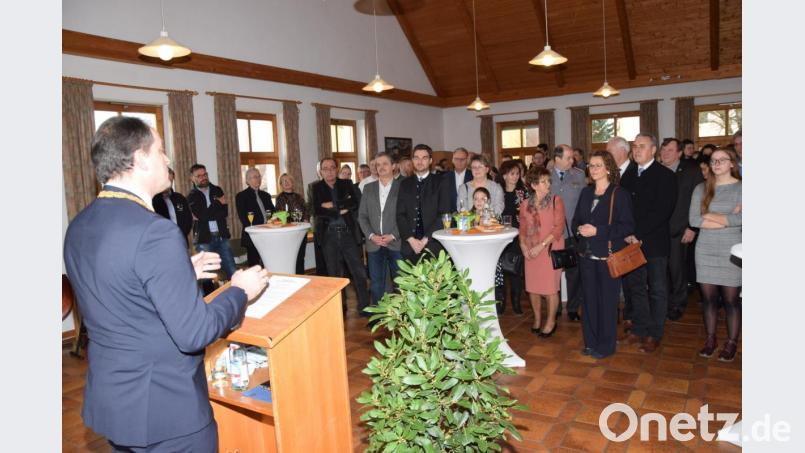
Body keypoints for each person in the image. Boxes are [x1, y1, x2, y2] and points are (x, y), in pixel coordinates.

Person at [64, 116, 268, 452]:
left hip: (115, 402)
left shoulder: (80, 225)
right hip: (167, 409)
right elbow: (194, 333)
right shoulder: (154, 231)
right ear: (140, 158)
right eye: (161, 151)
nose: (168, 160)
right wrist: (239, 290)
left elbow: (120, 290)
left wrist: (180, 271)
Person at [572, 150, 635, 359]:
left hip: (607, 256)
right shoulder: (586, 192)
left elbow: (626, 227)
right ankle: (590, 342)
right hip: (586, 256)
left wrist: (598, 231)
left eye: (598, 165)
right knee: (588, 302)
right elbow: (576, 220)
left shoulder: (620, 193)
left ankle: (606, 346)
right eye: (591, 165)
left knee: (607, 303)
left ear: (608, 168)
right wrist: (579, 229)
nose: (593, 169)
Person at [619, 134, 677, 354]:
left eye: (641, 146)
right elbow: (623, 207)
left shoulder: (665, 176)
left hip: (654, 244)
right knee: (636, 289)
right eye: (634, 146)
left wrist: (638, 233)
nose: (636, 150)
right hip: (631, 243)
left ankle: (655, 333)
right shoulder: (629, 175)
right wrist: (627, 232)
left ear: (653, 150)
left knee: (657, 290)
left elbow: (662, 211)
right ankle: (639, 328)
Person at [689, 148, 742, 362]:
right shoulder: (701, 188)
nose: (717, 163)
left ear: (732, 164)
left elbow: (744, 220)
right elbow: (694, 220)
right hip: (705, 250)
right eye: (713, 160)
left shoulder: (743, 188)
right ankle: (710, 339)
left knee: (730, 301)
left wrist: (708, 216)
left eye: (722, 160)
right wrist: (729, 217)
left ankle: (731, 343)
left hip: (731, 251)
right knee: (709, 300)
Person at [312, 157, 370, 316]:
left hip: (348, 235)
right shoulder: (316, 188)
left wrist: (332, 205)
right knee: (335, 274)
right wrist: (341, 207)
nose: (329, 171)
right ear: (321, 171)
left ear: (336, 169)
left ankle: (364, 306)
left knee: (358, 271)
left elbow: (355, 203)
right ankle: (341, 308)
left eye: (332, 167)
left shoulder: (346, 184)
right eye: (326, 168)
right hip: (329, 237)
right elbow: (318, 210)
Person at [659, 138, 704, 321]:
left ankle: (678, 303)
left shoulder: (691, 171)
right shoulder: (656, 171)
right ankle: (663, 303)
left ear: (679, 153)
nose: (665, 153)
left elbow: (699, 202)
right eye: (663, 150)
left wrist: (692, 227)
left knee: (677, 270)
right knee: (660, 272)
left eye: (670, 150)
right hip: (658, 231)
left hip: (680, 229)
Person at [520, 167, 565, 338]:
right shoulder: (525, 205)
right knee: (533, 288)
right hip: (531, 250)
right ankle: (538, 319)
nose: (548, 184)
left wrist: (541, 246)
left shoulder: (556, 200)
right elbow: (522, 229)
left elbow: (558, 228)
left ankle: (551, 321)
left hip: (550, 248)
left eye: (548, 181)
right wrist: (524, 247)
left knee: (550, 288)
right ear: (533, 185)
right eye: (543, 181)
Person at [358, 152, 402, 310]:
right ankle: (378, 316)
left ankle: (403, 316)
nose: (381, 167)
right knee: (376, 283)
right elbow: (362, 216)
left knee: (400, 282)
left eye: (385, 163)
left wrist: (393, 235)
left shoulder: (402, 187)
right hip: (374, 244)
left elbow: (406, 216)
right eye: (378, 164)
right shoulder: (368, 188)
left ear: (393, 166)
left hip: (396, 243)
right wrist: (371, 236)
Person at [396, 144, 451, 263]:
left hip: (433, 245)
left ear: (430, 161)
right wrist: (411, 240)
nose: (420, 161)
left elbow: (444, 214)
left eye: (424, 158)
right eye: (416, 157)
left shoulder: (441, 182)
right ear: (412, 160)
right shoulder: (404, 184)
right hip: (409, 247)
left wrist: (424, 240)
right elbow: (400, 214)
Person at [550, 145, 586, 322]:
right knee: (553, 272)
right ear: (557, 159)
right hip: (551, 234)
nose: (573, 161)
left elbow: (583, 203)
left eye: (573, 158)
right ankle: (554, 307)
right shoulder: (545, 176)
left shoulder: (578, 175)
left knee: (574, 272)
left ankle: (572, 308)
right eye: (569, 158)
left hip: (572, 232)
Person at [188, 163, 237, 280]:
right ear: (192, 178)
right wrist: (217, 203)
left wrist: (206, 213)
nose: (203, 177)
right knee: (206, 277)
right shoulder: (191, 196)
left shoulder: (217, 190)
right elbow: (202, 216)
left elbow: (224, 213)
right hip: (203, 240)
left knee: (232, 271)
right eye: (199, 176)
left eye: (205, 174)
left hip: (222, 237)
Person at [494, 160, 528, 315]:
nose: (515, 176)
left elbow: (529, 214)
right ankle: (500, 303)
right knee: (499, 269)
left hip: (517, 234)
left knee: (515, 270)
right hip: (499, 235)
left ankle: (516, 303)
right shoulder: (497, 190)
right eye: (512, 173)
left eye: (517, 173)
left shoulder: (523, 192)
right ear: (504, 175)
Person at [235, 167, 276, 267]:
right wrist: (260, 228)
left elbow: (274, 213)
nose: (258, 179)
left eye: (259, 176)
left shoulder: (266, 195)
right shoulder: (241, 196)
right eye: (254, 177)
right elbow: (244, 219)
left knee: (270, 263)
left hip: (268, 234)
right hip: (253, 235)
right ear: (247, 181)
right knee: (255, 266)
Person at [275, 173, 309, 274]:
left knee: (301, 257)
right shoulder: (280, 198)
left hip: (301, 231)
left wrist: (306, 220)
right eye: (283, 181)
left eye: (288, 180)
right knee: (291, 258)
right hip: (289, 233)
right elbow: (281, 215)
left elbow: (306, 210)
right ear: (280, 185)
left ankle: (301, 277)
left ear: (292, 182)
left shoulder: (299, 197)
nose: (286, 182)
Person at [152, 167, 193, 242]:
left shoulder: (180, 198)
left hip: (181, 239)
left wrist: (181, 234)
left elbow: (188, 219)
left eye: (171, 181)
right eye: (166, 180)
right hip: (161, 241)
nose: (168, 184)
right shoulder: (152, 200)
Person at [445, 147, 473, 213]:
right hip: (451, 215)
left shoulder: (473, 176)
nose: (459, 161)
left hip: (470, 215)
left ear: (467, 160)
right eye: (456, 159)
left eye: (462, 159)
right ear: (452, 160)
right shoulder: (445, 178)